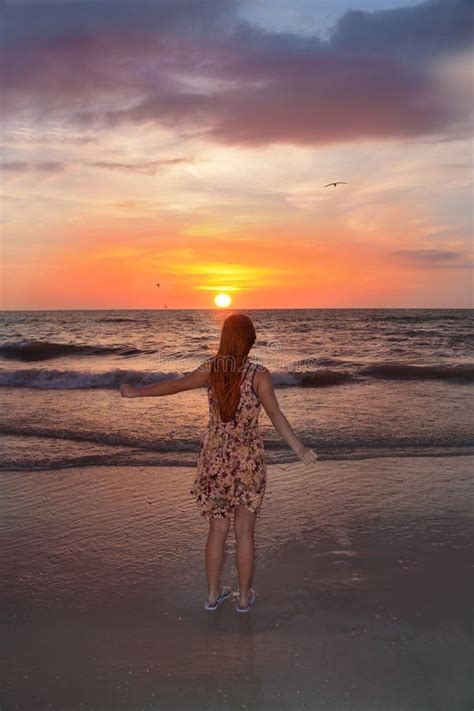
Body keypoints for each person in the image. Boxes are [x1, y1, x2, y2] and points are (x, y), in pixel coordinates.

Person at [120, 313, 318, 613]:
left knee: (217, 531)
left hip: (215, 458)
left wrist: (138, 392)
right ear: (250, 342)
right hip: (248, 460)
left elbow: (176, 385)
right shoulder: (258, 375)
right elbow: (276, 416)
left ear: (225, 339)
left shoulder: (212, 369)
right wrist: (300, 449)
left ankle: (213, 597)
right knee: (244, 532)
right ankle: (243, 598)